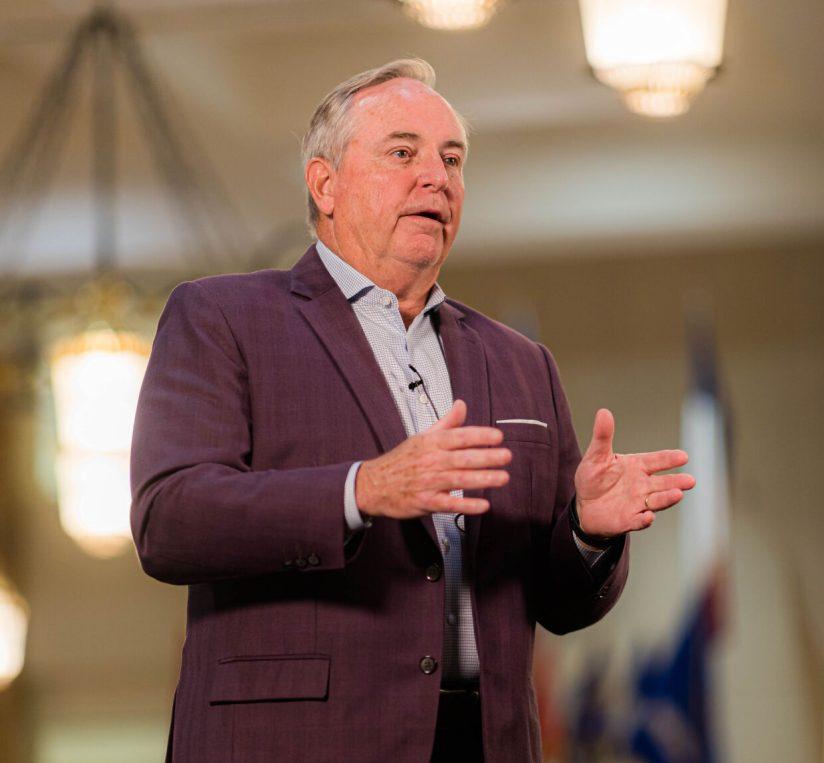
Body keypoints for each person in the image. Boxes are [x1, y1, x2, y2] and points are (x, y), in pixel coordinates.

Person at [130, 58, 695, 762]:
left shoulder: (521, 363)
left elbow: (559, 602)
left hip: (480, 742)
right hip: (295, 740)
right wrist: (361, 489)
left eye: (452, 159)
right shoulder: (223, 317)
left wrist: (585, 530)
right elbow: (170, 519)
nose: (437, 177)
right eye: (403, 153)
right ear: (325, 183)